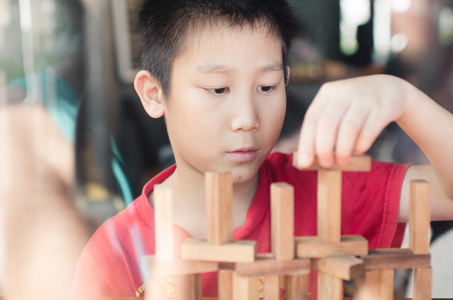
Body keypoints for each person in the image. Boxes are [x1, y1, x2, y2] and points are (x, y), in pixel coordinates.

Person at [69, 0, 453, 298]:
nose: (247, 118)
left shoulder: (324, 189)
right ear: (155, 94)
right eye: (218, 89)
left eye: (267, 87)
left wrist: (406, 100)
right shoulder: (114, 255)